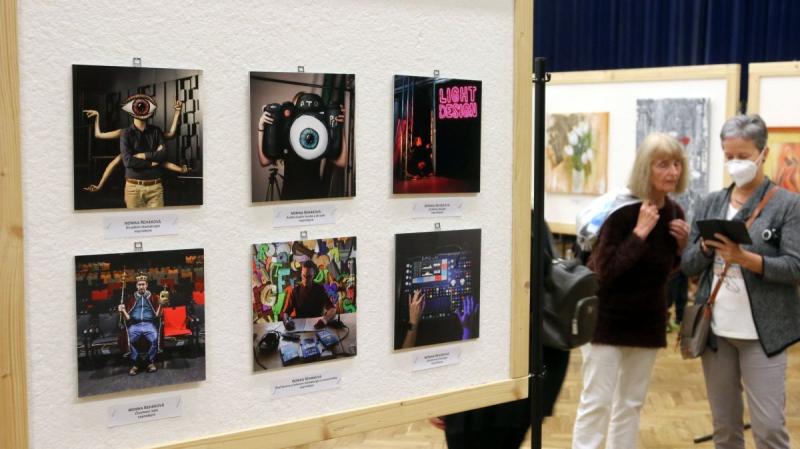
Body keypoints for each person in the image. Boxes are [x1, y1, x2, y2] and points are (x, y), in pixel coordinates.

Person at [681, 114, 800, 449]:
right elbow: (688, 264)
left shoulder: (788, 205)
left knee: (769, 430)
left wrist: (745, 258)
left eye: (743, 156)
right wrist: (705, 248)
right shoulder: (711, 203)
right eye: (728, 155)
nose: (735, 163)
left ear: (764, 153)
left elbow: (795, 267)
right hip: (716, 331)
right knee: (725, 429)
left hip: (764, 333)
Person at [572, 133, 689, 449]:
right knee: (597, 403)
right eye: (662, 164)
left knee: (631, 403)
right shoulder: (621, 211)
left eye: (676, 164)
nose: (672, 171)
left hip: (647, 320)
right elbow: (604, 272)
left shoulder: (675, 212)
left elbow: (663, 270)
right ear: (645, 168)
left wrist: (681, 247)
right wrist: (639, 233)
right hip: (606, 321)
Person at [82, 98, 187, 194]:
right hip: (133, 169)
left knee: (159, 161)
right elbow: (98, 135)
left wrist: (177, 112)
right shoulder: (124, 132)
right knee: (118, 159)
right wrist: (97, 116)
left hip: (152, 179)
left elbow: (171, 135)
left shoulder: (154, 132)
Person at [256, 92, 348, 201]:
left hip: (315, 196)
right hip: (290, 196)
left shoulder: (319, 133)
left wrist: (339, 127)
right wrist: (261, 128)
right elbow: (264, 161)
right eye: (298, 110)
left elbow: (342, 162)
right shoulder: (286, 134)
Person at [118, 273, 163, 376]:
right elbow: (128, 318)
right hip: (135, 325)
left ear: (147, 285)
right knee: (128, 340)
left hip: (149, 324)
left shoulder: (154, 297)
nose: (141, 286)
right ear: (136, 286)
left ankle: (149, 361)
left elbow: (157, 315)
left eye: (143, 284)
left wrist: (161, 305)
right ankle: (136, 361)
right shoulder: (131, 299)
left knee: (155, 339)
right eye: (139, 284)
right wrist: (123, 310)